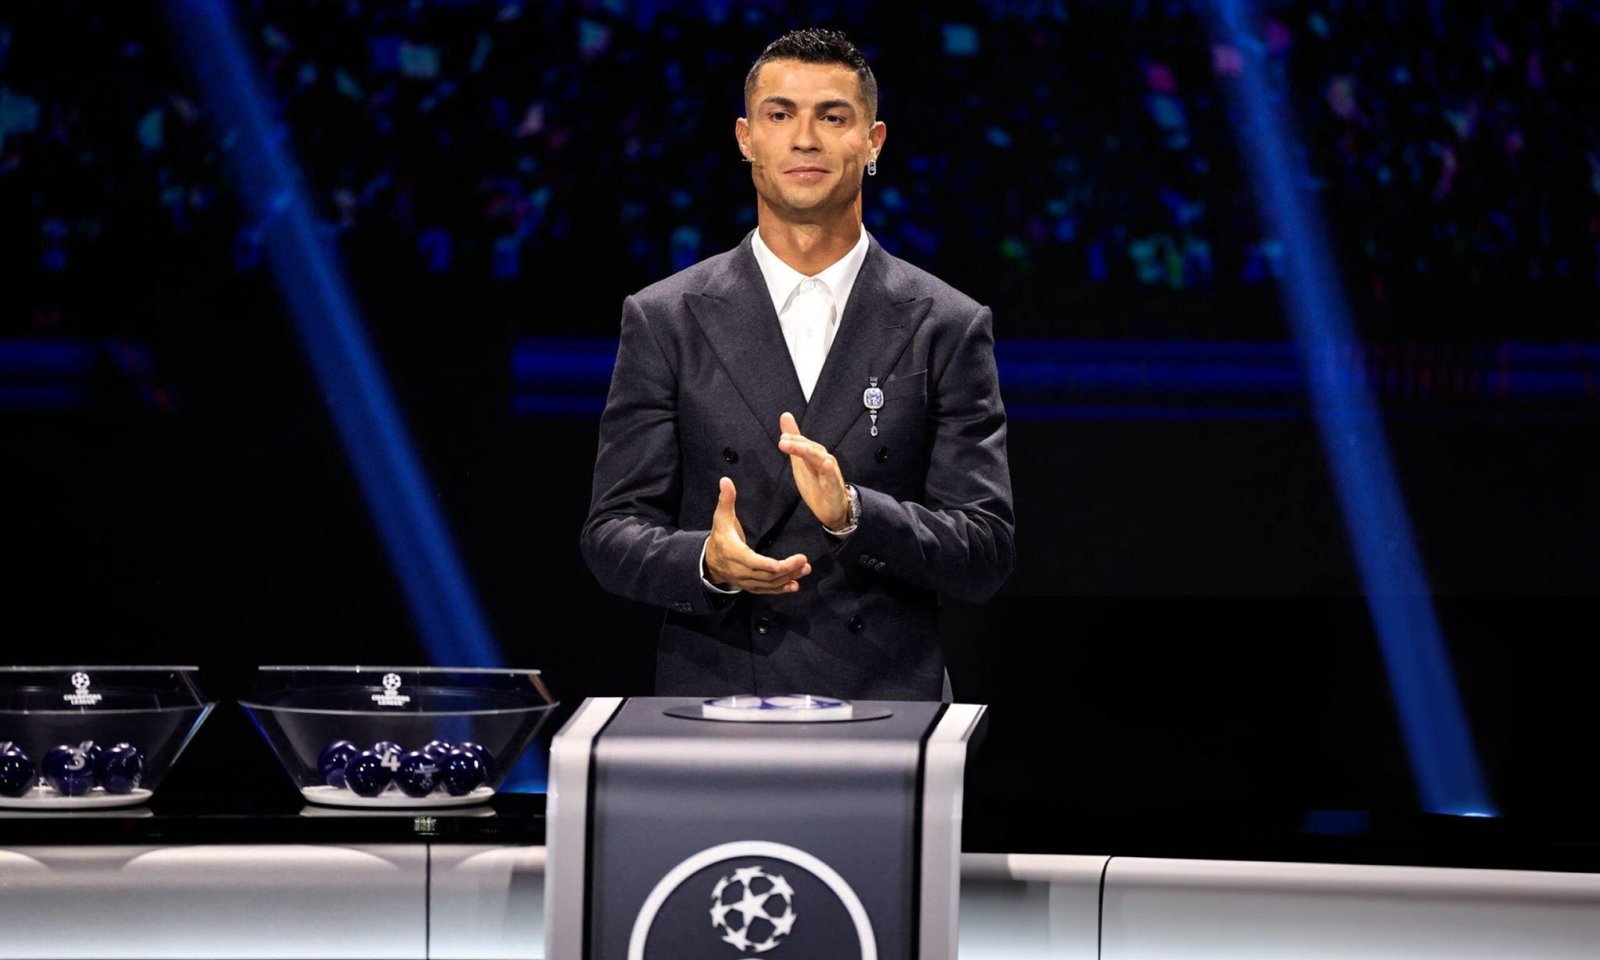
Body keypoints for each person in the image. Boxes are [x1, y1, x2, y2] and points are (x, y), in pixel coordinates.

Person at [581, 27, 1014, 700]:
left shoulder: (947, 323)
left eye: (832, 117)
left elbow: (984, 551)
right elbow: (611, 533)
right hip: (716, 697)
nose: (805, 139)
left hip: (887, 704)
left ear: (873, 141)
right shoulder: (665, 318)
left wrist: (854, 514)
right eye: (780, 115)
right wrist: (707, 562)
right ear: (746, 138)